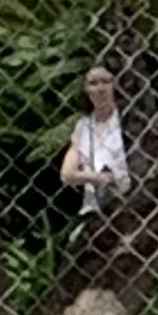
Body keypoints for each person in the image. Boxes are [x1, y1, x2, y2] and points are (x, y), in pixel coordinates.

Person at [59, 64, 131, 217]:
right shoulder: (83, 126)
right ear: (86, 90)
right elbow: (67, 173)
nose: (100, 88)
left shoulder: (128, 119)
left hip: (130, 196)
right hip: (96, 206)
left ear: (114, 85)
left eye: (105, 82)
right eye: (93, 83)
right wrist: (99, 178)